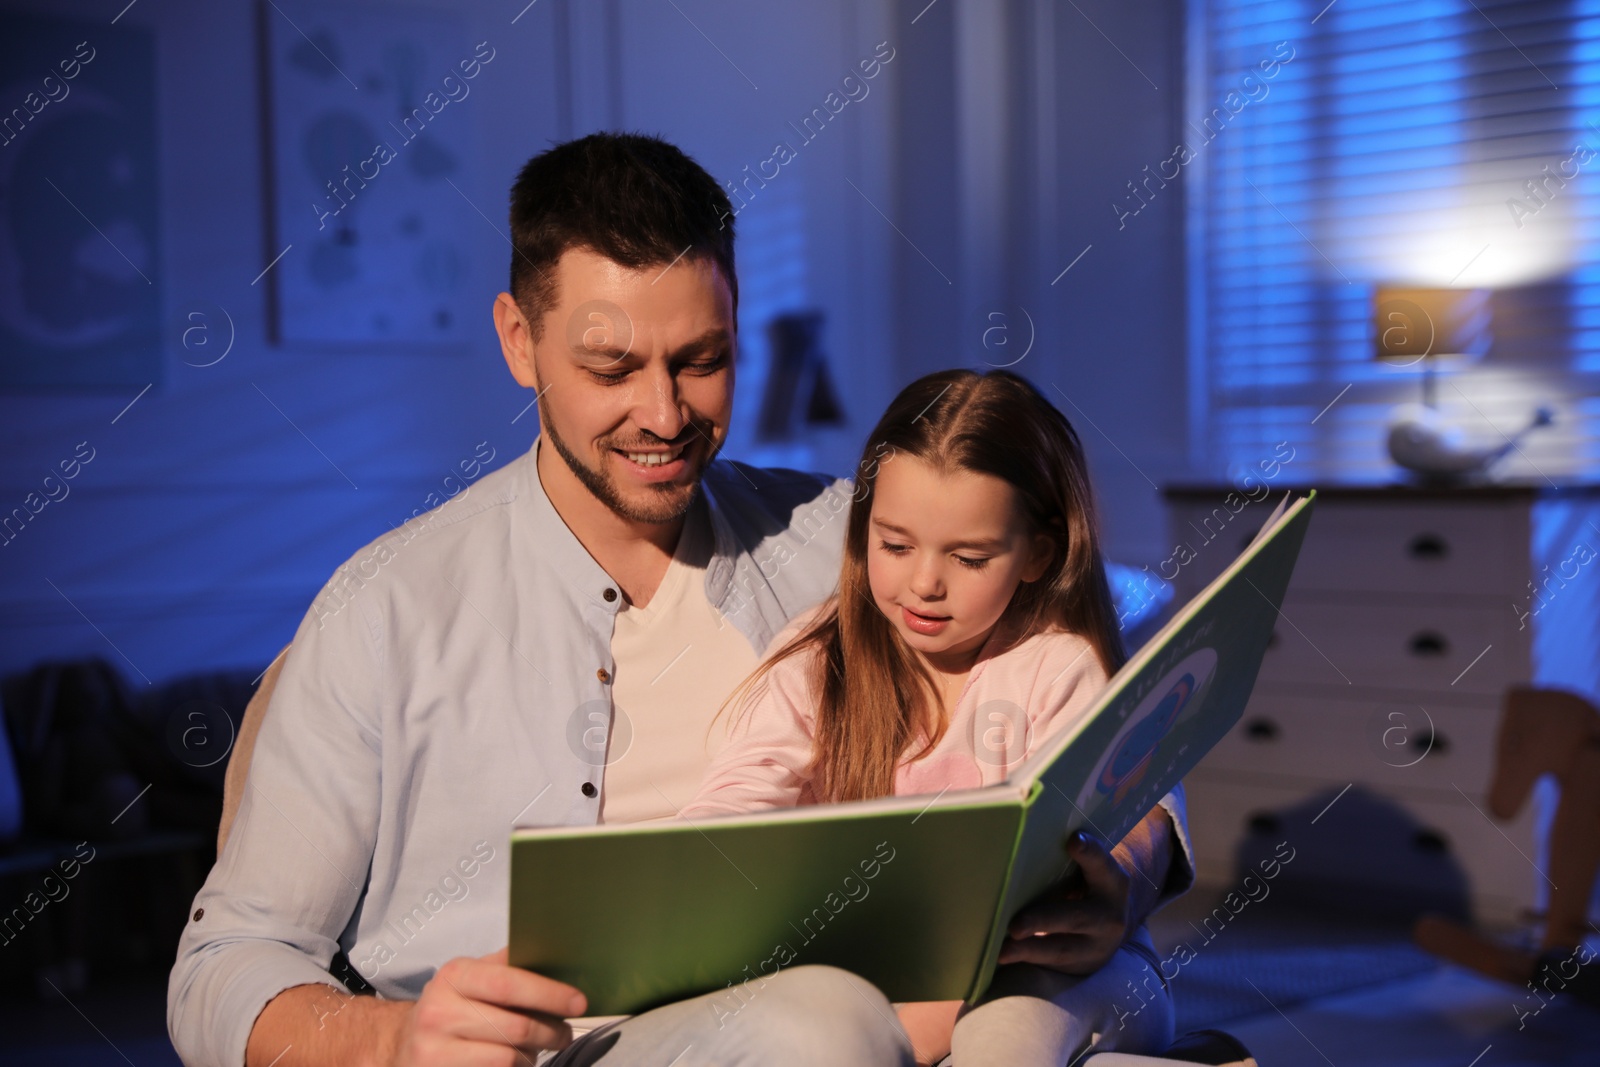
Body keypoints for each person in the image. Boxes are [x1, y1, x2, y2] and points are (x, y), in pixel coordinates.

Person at [167, 132, 1189, 1067]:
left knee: (1042, 1005)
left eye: (702, 361)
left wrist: (1121, 868)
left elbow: (1093, 618)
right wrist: (394, 1039)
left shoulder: (845, 541)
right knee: (816, 1020)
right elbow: (223, 961)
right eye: (610, 366)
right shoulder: (383, 609)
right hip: (589, 1049)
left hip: (878, 1006)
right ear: (519, 340)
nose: (664, 413)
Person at [682, 370, 1193, 1066]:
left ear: (1038, 554)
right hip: (888, 970)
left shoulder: (1059, 666)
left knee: (1000, 1035)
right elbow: (739, 794)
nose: (924, 583)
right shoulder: (818, 657)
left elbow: (1090, 840)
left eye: (969, 557)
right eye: (895, 545)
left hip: (1064, 971)